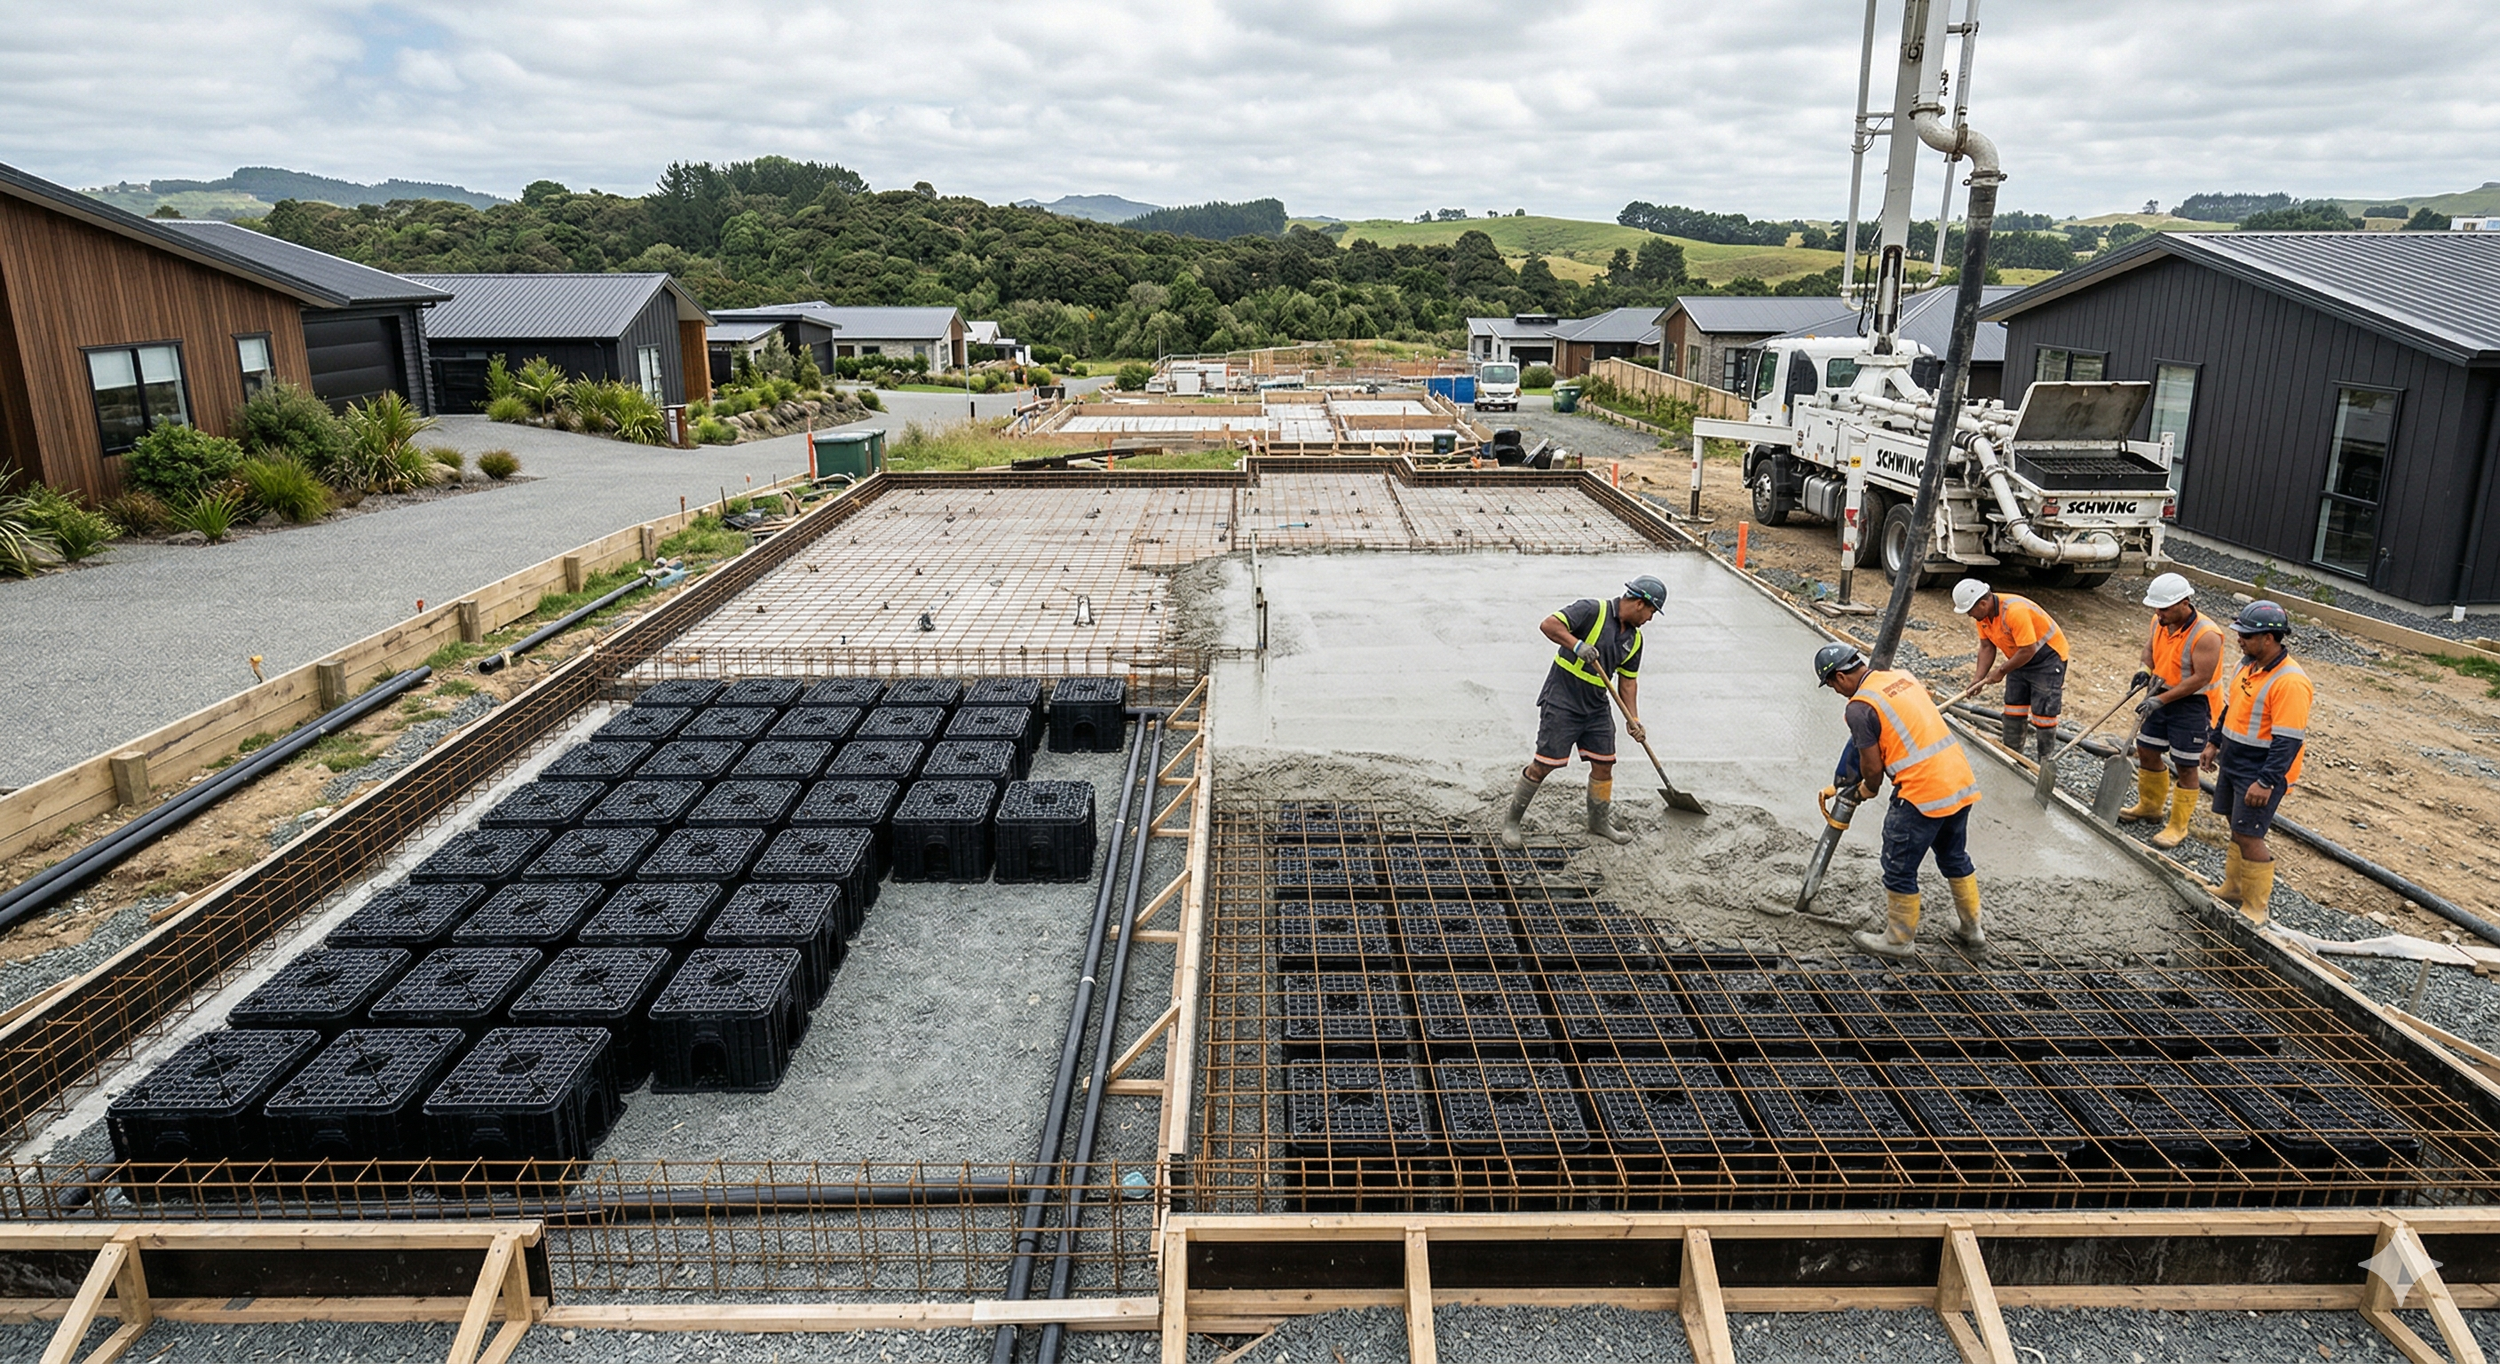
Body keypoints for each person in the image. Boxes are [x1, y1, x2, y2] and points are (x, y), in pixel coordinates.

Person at [1814, 643, 1986, 959]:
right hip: (1958, 779)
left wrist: (1866, 789)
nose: (1836, 693)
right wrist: (1842, 780)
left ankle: (1898, 939)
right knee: (1953, 855)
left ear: (1839, 677)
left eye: (1832, 686)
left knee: (1898, 866)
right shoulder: (1900, 678)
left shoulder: (1858, 707)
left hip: (1921, 792)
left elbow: (1872, 766)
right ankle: (1972, 929)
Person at [1498, 576, 1665, 850]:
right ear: (1639, 603)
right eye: (1651, 612)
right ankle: (1512, 822)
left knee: (1604, 763)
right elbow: (1549, 625)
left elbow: (1628, 681)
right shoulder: (1592, 610)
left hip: (1596, 706)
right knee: (1544, 764)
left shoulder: (1634, 640)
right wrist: (1577, 645)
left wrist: (1633, 719)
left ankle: (1598, 822)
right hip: (1562, 700)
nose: (1650, 618)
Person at [2200, 601, 2311, 924]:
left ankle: (2257, 906)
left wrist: (2266, 781)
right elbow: (2230, 708)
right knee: (2235, 825)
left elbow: (2288, 740)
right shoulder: (2245, 666)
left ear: (2269, 638)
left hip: (2260, 769)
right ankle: (2234, 888)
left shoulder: (2290, 682)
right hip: (2235, 762)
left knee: (2250, 834)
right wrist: (2214, 742)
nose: (2240, 640)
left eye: (2247, 635)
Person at [2118, 572, 2226, 850]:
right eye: (2156, 607)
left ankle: (2178, 826)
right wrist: (2145, 669)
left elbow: (2200, 678)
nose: (2158, 613)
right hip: (2159, 693)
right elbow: (2149, 648)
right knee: (2148, 749)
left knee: (2186, 765)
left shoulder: (2207, 635)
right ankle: (2151, 807)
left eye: (2164, 608)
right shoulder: (2160, 620)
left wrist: (2161, 701)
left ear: (2184, 603)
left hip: (2192, 704)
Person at [1953, 579, 2071, 763]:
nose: (1969, 615)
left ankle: (2044, 763)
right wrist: (1978, 678)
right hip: (2019, 656)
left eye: (1969, 611)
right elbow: (1986, 647)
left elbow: (2029, 649)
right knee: (2013, 708)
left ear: (1983, 604)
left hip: (2046, 659)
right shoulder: (1983, 617)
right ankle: (2010, 756)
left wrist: (2000, 671)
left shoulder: (2015, 611)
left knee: (2043, 714)